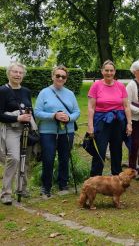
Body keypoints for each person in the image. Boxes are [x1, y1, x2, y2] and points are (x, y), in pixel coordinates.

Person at [35, 65, 80, 198]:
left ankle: (63, 183)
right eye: (58, 75)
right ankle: (46, 186)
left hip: (67, 131)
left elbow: (77, 111)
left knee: (64, 158)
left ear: (66, 79)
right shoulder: (44, 92)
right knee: (48, 159)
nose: (60, 78)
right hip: (47, 131)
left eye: (63, 76)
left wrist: (69, 117)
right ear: (52, 76)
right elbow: (37, 112)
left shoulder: (70, 94)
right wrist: (53, 115)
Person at [87, 60, 132, 177]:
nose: (109, 73)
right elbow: (91, 107)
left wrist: (129, 124)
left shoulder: (121, 86)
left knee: (117, 149)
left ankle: (117, 176)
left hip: (118, 121)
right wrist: (90, 126)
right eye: (106, 70)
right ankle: (95, 178)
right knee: (100, 150)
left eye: (111, 70)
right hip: (101, 121)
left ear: (114, 72)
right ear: (102, 71)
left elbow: (126, 106)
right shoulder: (96, 85)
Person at [0, 62, 35, 205]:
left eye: (20, 73)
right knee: (14, 158)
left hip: (26, 129)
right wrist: (17, 117)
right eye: (15, 72)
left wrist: (28, 116)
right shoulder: (2, 91)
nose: (18, 75)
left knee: (25, 160)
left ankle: (22, 188)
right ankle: (6, 193)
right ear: (9, 73)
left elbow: (30, 108)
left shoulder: (26, 91)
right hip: (11, 129)